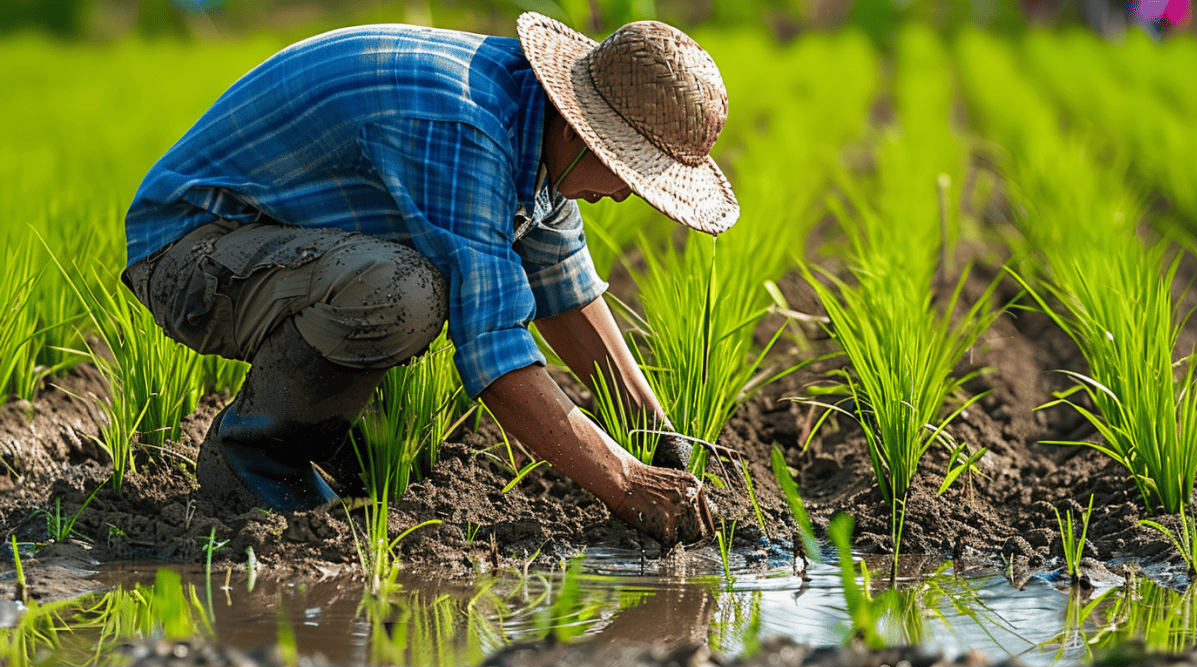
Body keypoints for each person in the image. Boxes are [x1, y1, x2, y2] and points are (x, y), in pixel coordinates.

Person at [121, 12, 738, 548]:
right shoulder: (470, 128)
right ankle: (254, 461)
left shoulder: (532, 125)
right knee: (406, 292)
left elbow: (562, 287)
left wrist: (656, 437)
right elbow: (495, 358)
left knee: (399, 381)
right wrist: (626, 483)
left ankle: (345, 453)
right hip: (192, 255)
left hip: (277, 250)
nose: (627, 193)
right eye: (627, 169)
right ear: (582, 133)